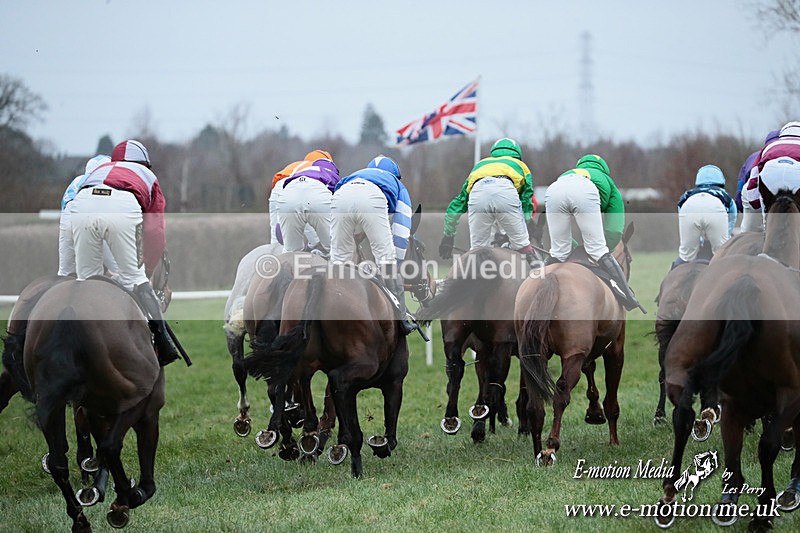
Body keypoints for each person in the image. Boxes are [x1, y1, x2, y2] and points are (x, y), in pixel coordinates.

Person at [70, 139, 181, 366]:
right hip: (121, 204)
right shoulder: (147, 177)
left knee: (87, 281)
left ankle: (77, 343)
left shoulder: (101, 169)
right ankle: (163, 343)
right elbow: (154, 230)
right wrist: (147, 267)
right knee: (136, 279)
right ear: (144, 163)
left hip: (80, 205)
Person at [544, 154, 644, 312]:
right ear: (605, 170)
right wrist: (593, 250)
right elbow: (614, 231)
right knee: (598, 250)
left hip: (554, 189)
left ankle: (535, 284)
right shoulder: (608, 183)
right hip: (585, 190)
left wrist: (574, 249)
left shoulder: (567, 174)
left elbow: (561, 239)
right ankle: (628, 297)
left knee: (558, 252)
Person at [330, 155, 418, 335]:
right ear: (395, 174)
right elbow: (401, 230)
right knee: (387, 260)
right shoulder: (397, 185)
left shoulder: (357, 175)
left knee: (338, 262)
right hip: (371, 198)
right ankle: (402, 320)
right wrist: (396, 264)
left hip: (340, 196)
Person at [438, 138, 537, 262]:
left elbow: (457, 204)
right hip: (505, 192)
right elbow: (526, 200)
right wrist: (527, 223)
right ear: (517, 155)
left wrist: (448, 236)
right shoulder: (521, 166)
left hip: (477, 195)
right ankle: (538, 272)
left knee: (478, 252)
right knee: (523, 246)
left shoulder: (480, 165)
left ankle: (471, 277)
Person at [58, 154, 116, 277]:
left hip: (68, 221)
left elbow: (64, 209)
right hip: (92, 222)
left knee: (64, 274)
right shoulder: (108, 183)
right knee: (122, 273)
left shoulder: (76, 181)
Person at [672, 165, 736, 269]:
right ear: (721, 181)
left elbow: (681, 212)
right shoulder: (725, 195)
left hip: (689, 207)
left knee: (685, 256)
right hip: (716, 208)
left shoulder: (688, 194)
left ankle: (670, 280)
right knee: (721, 254)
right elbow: (732, 219)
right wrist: (726, 238)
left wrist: (699, 239)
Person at [274, 154, 340, 255]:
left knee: (291, 251)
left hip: (288, 194)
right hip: (317, 195)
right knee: (336, 249)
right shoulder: (331, 174)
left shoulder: (302, 171)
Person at [741, 121, 800, 232]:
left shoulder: (770, 146)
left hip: (770, 175)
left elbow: (754, 174)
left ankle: (765, 232)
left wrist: (754, 201)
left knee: (766, 222)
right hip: (796, 175)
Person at [735, 130, 779, 212]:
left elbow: (741, 183)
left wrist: (740, 206)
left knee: (749, 224)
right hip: (777, 198)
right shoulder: (788, 155)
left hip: (753, 197)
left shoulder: (753, 157)